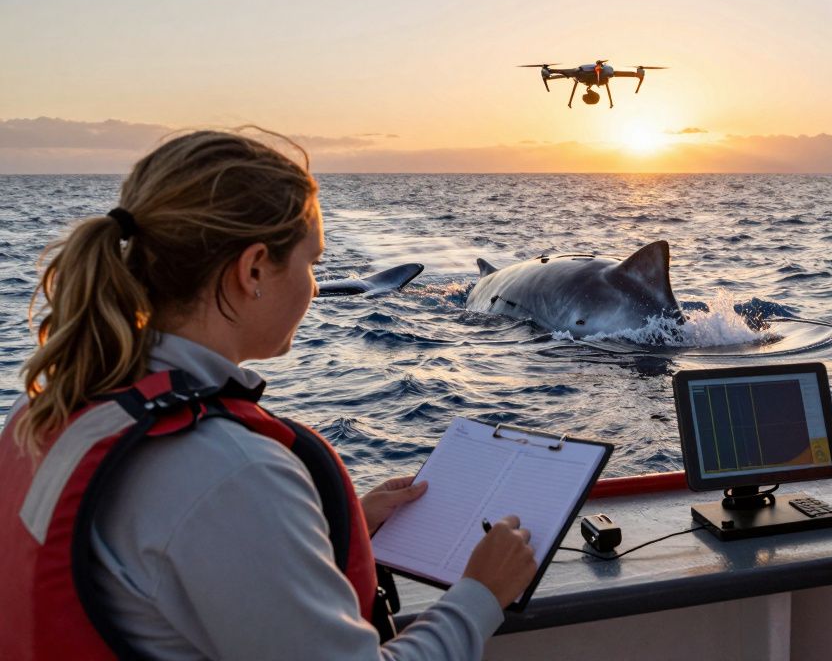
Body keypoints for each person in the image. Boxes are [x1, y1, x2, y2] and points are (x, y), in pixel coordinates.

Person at [0, 130, 538, 660]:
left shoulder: (47, 410)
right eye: (313, 264)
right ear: (253, 269)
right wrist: (481, 594)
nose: (312, 285)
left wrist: (331, 526)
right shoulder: (231, 473)